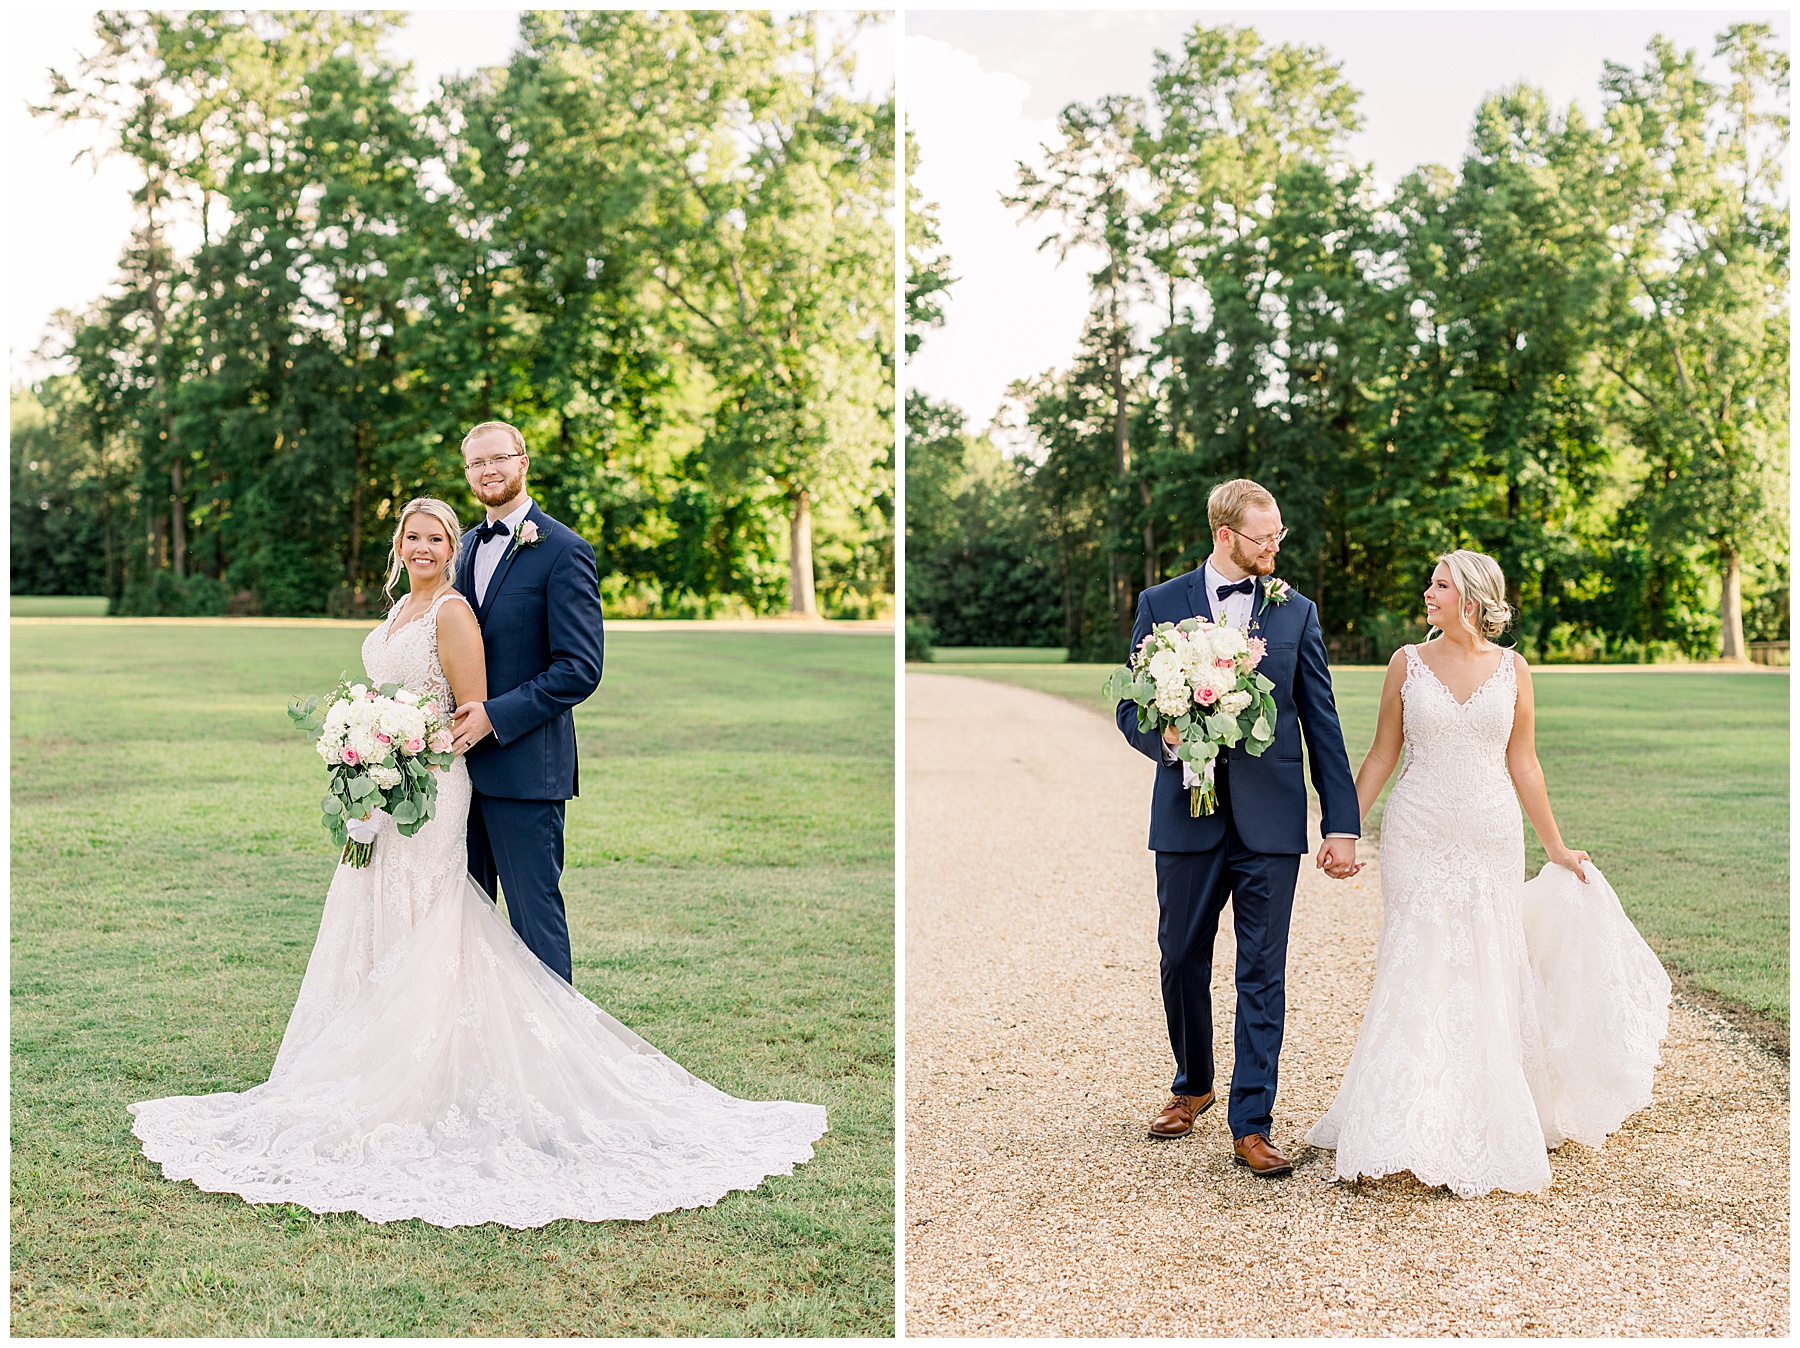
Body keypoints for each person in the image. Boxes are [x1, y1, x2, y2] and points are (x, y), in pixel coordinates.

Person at [128, 494, 827, 1227]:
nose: (422, 546)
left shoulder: (456, 610)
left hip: (433, 781)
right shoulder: (397, 612)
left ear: (452, 544)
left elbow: (472, 706)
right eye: (411, 535)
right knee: (383, 909)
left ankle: (526, 1074)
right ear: (396, 545)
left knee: (445, 915)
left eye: (435, 536)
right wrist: (363, 758)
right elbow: (387, 695)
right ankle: (380, 1064)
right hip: (391, 790)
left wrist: (401, 754)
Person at [1306, 550, 1670, 1197]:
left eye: (1440, 584)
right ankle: (1401, 1118)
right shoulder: (1405, 664)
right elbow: (1382, 753)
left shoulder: (1514, 670)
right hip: (1417, 833)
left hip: (1490, 837)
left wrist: (1555, 847)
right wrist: (1344, 829)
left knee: (1487, 962)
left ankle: (1485, 1113)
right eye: (1431, 583)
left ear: (1471, 599)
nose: (1428, 592)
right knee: (1417, 960)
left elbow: (1524, 763)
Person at [1116, 478, 1362, 1178]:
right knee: (1180, 956)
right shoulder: (1160, 606)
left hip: (1270, 824)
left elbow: (1323, 722)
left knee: (1262, 971)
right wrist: (1172, 737)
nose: (1275, 546)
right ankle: (1193, 1083)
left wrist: (1339, 823)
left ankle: (1251, 1122)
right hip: (1187, 814)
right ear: (1226, 536)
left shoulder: (1297, 612)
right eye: (1264, 537)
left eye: (1279, 534)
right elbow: (1133, 710)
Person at [451, 420, 602, 985]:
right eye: (475, 463)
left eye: (497, 459)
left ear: (523, 462)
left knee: (534, 925)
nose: (487, 471)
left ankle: (556, 1064)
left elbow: (579, 670)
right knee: (460, 921)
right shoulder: (461, 547)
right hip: (455, 773)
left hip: (525, 770)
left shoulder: (564, 550)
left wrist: (496, 714)